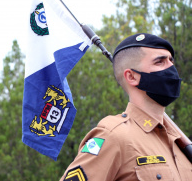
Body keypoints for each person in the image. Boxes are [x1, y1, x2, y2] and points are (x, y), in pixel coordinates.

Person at [60, 33, 192, 181]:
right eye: (160, 62)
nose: (171, 68)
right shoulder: (112, 136)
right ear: (131, 77)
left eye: (171, 61)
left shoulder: (180, 145)